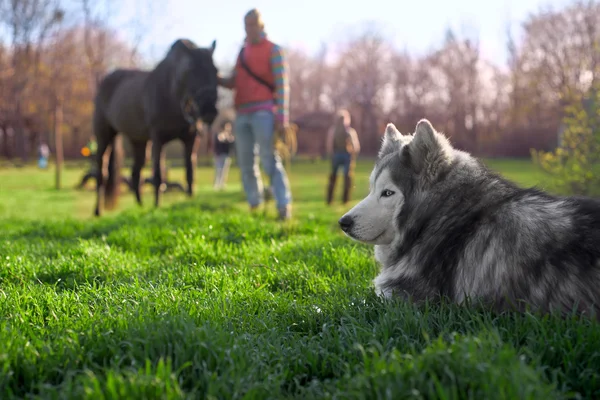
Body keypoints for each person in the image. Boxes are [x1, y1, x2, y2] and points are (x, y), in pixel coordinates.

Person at [216, 8, 293, 220]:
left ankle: (283, 205)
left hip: (264, 112)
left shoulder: (273, 50)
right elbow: (234, 81)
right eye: (246, 25)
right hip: (241, 114)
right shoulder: (242, 52)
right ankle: (254, 203)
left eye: (252, 25)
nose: (248, 29)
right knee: (246, 163)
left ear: (261, 25)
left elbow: (282, 85)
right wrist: (216, 76)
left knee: (269, 160)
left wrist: (282, 119)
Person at [325, 109, 361, 205]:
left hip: (336, 155)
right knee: (347, 177)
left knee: (334, 177)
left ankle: (330, 200)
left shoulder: (333, 130)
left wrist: (331, 155)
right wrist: (353, 155)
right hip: (346, 155)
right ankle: (345, 200)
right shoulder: (350, 131)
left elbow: (329, 144)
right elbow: (356, 146)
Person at [213, 121, 235, 190]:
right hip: (219, 155)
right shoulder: (220, 134)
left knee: (224, 171)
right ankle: (216, 184)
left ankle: (222, 184)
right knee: (218, 170)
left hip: (226, 155)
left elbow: (232, 143)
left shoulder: (230, 136)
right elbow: (219, 140)